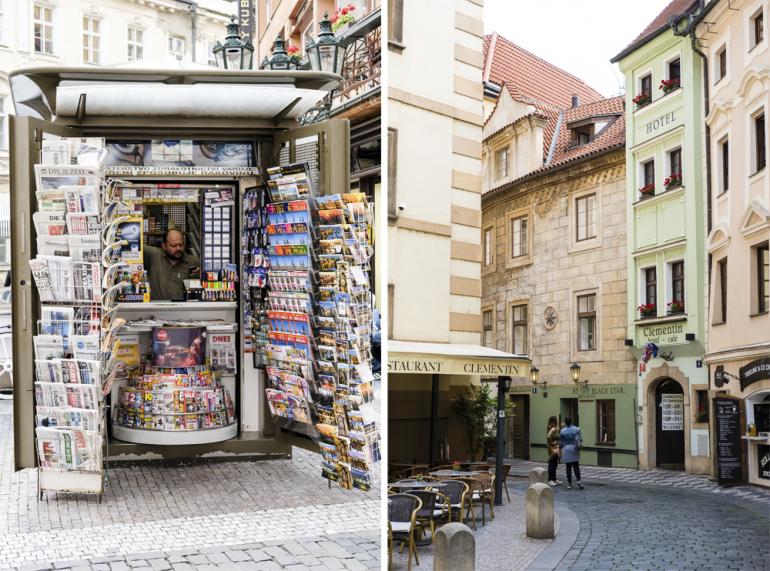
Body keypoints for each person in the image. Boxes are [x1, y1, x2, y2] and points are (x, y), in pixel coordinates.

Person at [144, 228, 200, 301]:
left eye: (181, 244)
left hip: (183, 310)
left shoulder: (193, 261)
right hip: (157, 309)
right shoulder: (153, 255)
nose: (178, 248)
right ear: (164, 246)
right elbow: (134, 244)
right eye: (173, 245)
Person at [559, 417, 584, 489]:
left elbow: (560, 442)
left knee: (568, 467)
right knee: (576, 465)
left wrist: (560, 449)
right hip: (574, 448)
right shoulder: (577, 429)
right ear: (571, 421)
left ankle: (569, 483)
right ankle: (578, 480)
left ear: (565, 422)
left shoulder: (562, 431)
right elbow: (581, 439)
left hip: (566, 449)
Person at [546, 416, 561, 486]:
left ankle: (554, 479)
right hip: (553, 448)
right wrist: (552, 443)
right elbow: (548, 436)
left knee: (554, 463)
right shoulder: (553, 428)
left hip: (554, 447)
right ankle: (550, 480)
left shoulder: (552, 428)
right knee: (552, 463)